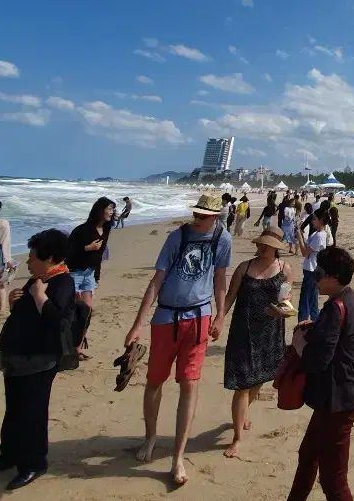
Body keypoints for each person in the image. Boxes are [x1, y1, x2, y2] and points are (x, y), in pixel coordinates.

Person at [123, 194, 232, 487]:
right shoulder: (176, 238)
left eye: (203, 215)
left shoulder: (223, 239)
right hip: (166, 318)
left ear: (215, 217)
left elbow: (220, 279)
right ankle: (150, 437)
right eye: (196, 213)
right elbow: (156, 280)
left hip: (199, 319)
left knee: (189, 383)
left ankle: (178, 456)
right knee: (155, 382)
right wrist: (138, 325)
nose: (197, 219)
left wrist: (221, 315)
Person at [0, 228, 76, 490]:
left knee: (32, 413)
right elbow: (24, 312)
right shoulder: (37, 277)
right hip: (17, 356)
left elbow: (59, 321)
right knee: (14, 411)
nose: (29, 261)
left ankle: (34, 463)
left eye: (33, 256)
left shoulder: (62, 282)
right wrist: (13, 301)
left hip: (40, 358)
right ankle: (9, 455)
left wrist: (39, 296)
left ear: (50, 257)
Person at [286, 246, 354, 501]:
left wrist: (299, 345)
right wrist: (313, 329)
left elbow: (318, 361)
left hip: (338, 401)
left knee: (333, 478)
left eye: (319, 274)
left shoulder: (336, 306)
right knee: (308, 456)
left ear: (334, 277)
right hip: (336, 398)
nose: (315, 278)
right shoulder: (348, 298)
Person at [216, 228, 293, 458]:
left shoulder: (285, 270)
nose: (262, 248)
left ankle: (241, 415)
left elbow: (287, 303)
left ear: (276, 248)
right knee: (242, 385)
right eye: (261, 244)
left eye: (267, 245)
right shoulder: (244, 268)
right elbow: (229, 297)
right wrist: (219, 318)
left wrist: (284, 310)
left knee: (259, 378)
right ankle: (237, 438)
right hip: (243, 331)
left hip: (270, 332)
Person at [67, 197, 115, 310]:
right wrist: (86, 248)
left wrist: (97, 275)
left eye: (113, 209)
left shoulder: (106, 230)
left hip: (90, 274)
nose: (112, 212)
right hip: (75, 273)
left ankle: (83, 328)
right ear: (100, 210)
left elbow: (99, 255)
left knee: (86, 310)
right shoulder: (82, 230)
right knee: (71, 309)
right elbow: (67, 251)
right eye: (109, 209)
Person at [296, 209, 330, 323]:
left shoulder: (320, 235)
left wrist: (299, 237)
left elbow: (305, 253)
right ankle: (315, 325)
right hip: (312, 269)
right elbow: (308, 249)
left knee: (305, 302)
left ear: (321, 220)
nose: (312, 221)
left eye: (314, 219)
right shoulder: (318, 234)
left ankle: (302, 328)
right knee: (312, 302)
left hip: (312, 270)